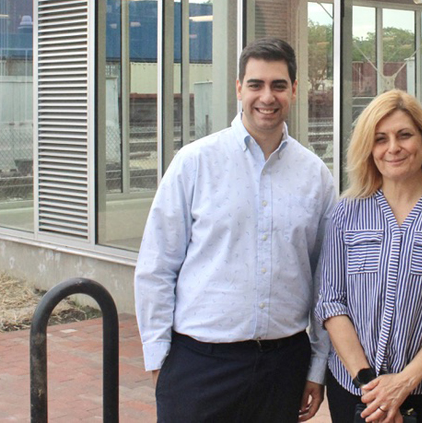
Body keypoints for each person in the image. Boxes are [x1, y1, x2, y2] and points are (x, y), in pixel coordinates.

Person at [134, 37, 338, 422]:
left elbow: (325, 281)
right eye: (256, 84)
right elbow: (157, 265)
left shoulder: (315, 176)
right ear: (239, 89)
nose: (267, 96)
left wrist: (316, 366)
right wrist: (160, 357)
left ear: (294, 90)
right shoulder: (194, 163)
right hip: (199, 365)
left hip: (283, 365)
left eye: (278, 85)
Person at [316, 90, 422, 423]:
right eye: (380, 139)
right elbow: (331, 303)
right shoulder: (345, 214)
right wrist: (371, 386)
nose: (393, 148)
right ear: (369, 148)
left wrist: (403, 382)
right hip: (356, 391)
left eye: (404, 135)